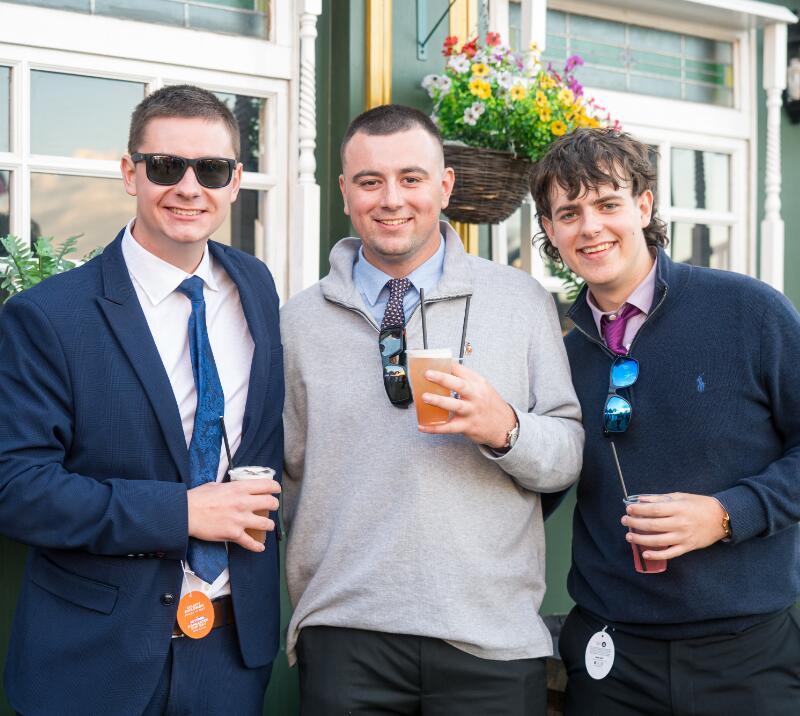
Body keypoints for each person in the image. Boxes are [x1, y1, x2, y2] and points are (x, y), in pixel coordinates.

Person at [281, 104, 584, 715]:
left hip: (492, 640)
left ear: (445, 186)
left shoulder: (522, 301)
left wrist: (506, 429)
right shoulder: (298, 321)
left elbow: (567, 457)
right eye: (370, 181)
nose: (391, 199)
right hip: (346, 635)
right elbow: (287, 473)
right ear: (345, 193)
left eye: (411, 178)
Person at [0, 84, 284, 716]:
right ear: (130, 173)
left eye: (211, 169)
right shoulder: (47, 317)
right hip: (94, 660)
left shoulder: (256, 286)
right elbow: (15, 486)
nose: (189, 186)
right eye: (166, 166)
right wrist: (179, 512)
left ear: (235, 181)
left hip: (233, 651)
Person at [531, 127, 800, 715]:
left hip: (749, 654)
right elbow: (533, 487)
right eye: (568, 213)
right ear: (550, 232)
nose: (591, 227)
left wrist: (727, 515)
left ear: (644, 206)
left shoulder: (749, 311)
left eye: (608, 203)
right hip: (611, 659)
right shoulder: (558, 353)